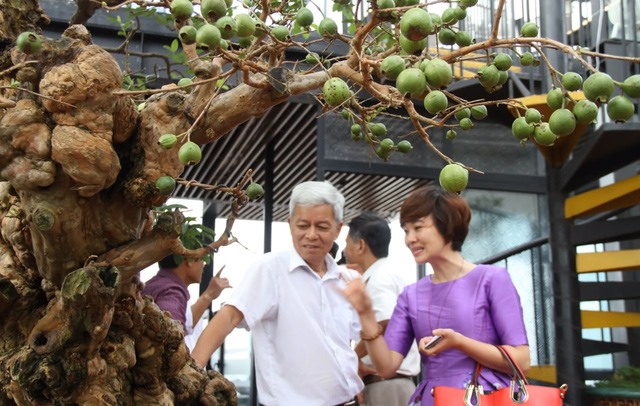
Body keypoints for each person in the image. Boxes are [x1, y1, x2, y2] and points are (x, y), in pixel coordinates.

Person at [341, 184, 530, 406]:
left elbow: (522, 360)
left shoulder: (492, 279)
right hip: (434, 399)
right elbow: (387, 367)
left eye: (418, 228)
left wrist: (459, 342)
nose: (409, 239)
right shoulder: (411, 295)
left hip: (486, 398)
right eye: (406, 230)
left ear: (446, 226)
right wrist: (365, 314)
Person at [191, 181, 363, 406]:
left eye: (321, 227)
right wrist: (191, 373)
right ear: (290, 224)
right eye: (303, 225)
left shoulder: (344, 279)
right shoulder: (271, 269)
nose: (311, 235)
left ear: (338, 229)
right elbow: (229, 316)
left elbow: (345, 341)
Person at [344, 213, 420, 406]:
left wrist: (352, 358)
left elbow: (384, 323)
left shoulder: (379, 279)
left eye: (347, 243)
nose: (345, 249)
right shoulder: (386, 275)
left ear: (360, 245)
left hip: (387, 386)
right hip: (387, 384)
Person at [141, 254, 231, 344]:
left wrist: (209, 294)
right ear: (189, 259)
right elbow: (170, 338)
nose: (203, 264)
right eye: (201, 257)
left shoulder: (157, 285)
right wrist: (209, 295)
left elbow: (185, 323)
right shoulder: (171, 292)